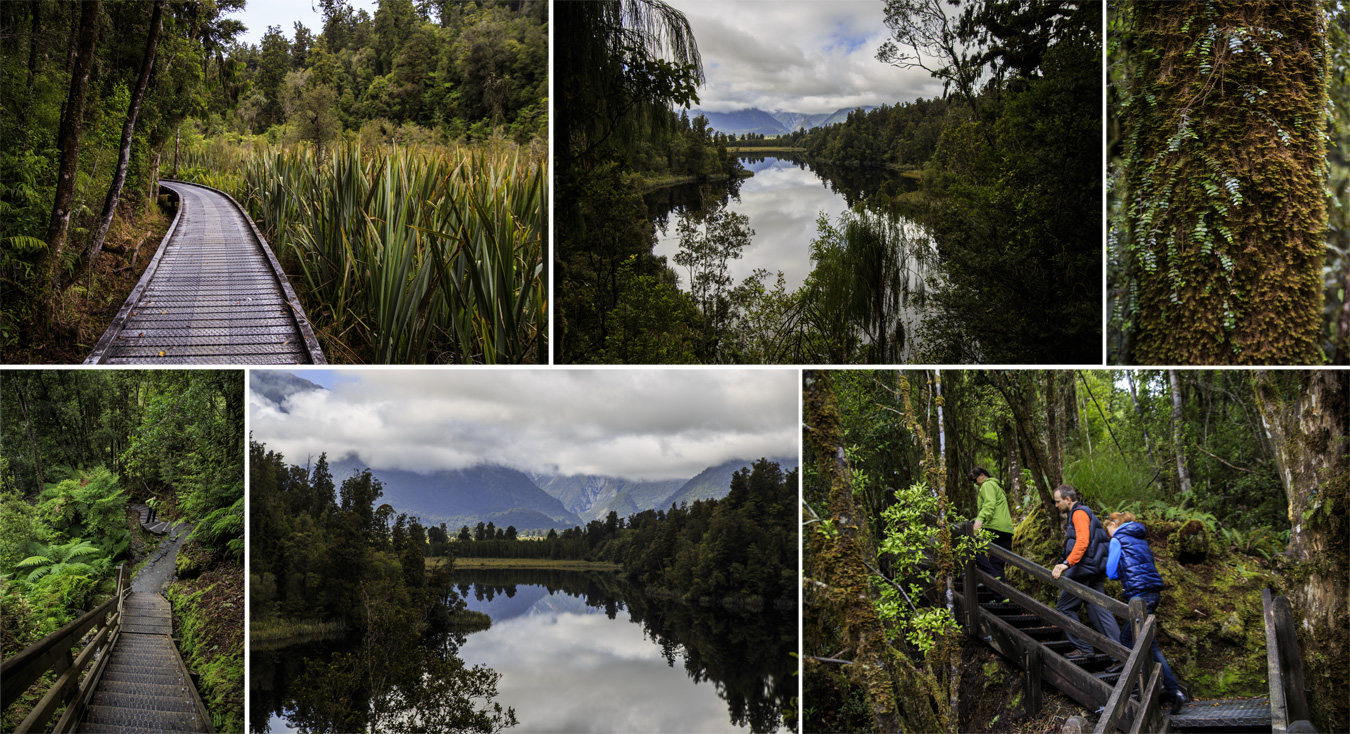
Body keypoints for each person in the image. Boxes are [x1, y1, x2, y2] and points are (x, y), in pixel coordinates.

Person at [1105, 511, 1188, 715]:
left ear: (1114, 526)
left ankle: (1159, 688)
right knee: (1150, 644)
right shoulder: (1139, 538)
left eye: (1108, 531)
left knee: (1128, 640)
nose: (1108, 536)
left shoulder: (1118, 540)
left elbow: (1110, 571)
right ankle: (1171, 690)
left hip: (1138, 597)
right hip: (1153, 594)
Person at [1049, 485, 1123, 667]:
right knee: (1099, 610)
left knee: (1064, 607)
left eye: (1058, 502)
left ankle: (1083, 647)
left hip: (1083, 569)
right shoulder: (1085, 512)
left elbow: (1082, 542)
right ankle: (1120, 655)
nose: (1056, 506)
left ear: (1068, 499)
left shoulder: (1079, 513)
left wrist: (1067, 563)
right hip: (1094, 569)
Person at [970, 467, 1014, 582]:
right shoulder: (997, 486)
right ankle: (1001, 598)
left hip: (994, 527)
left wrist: (979, 520)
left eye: (975, 480)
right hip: (1006, 530)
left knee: (972, 545)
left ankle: (990, 577)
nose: (975, 483)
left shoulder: (987, 485)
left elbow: (989, 504)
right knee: (997, 563)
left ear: (982, 475)